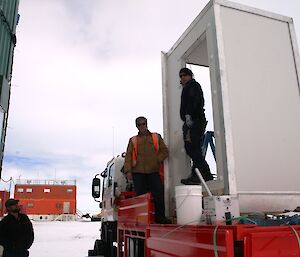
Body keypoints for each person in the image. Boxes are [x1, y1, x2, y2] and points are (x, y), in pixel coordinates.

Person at [124, 116, 171, 224]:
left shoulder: (156, 137)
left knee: (158, 195)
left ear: (147, 124)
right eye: (139, 124)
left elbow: (165, 151)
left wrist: (156, 160)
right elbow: (128, 157)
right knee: (141, 198)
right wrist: (128, 171)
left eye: (143, 123)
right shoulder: (133, 140)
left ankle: (160, 218)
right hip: (138, 173)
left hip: (153, 171)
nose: (142, 126)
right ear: (137, 126)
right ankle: (142, 219)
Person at [179, 67, 214, 185]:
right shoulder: (188, 87)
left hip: (195, 120)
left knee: (192, 148)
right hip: (194, 120)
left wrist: (189, 114)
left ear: (190, 76)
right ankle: (200, 174)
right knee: (193, 148)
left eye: (185, 75)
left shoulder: (192, 85)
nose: (183, 77)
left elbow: (195, 100)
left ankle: (202, 174)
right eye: (181, 76)